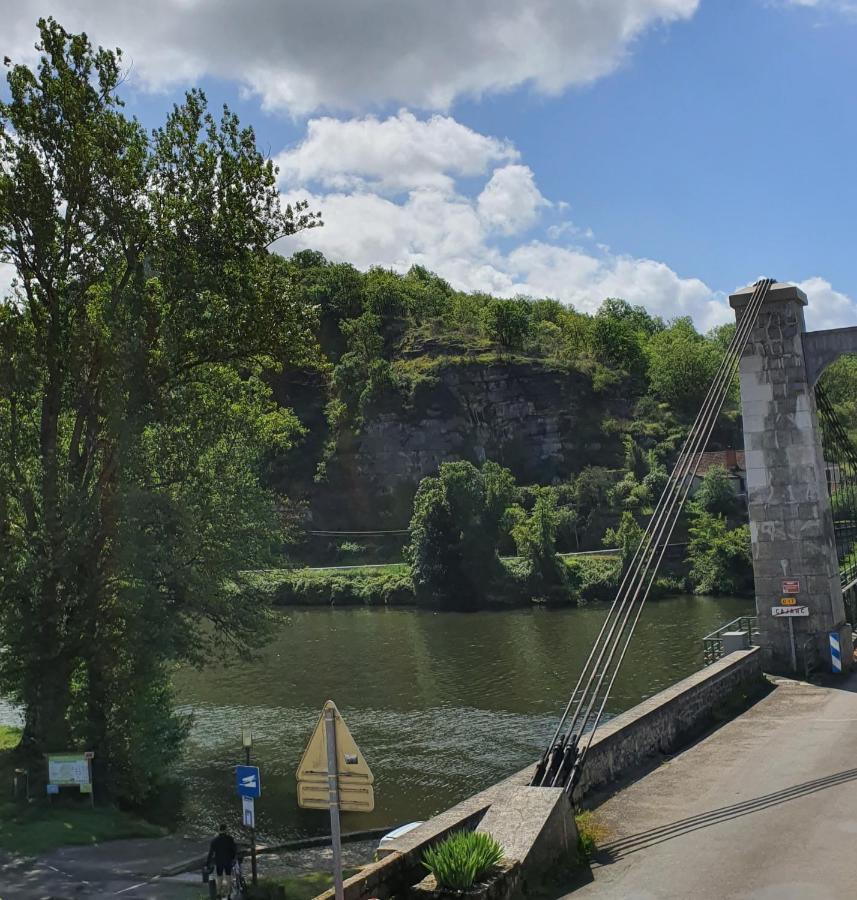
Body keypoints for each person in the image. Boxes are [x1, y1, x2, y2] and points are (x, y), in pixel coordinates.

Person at [207, 824, 237, 899]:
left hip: (219, 861)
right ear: (226, 830)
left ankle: (218, 893)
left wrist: (208, 863)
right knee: (228, 876)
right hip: (228, 860)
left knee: (219, 876)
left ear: (219, 830)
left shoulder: (214, 840)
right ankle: (229, 894)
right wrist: (233, 858)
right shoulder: (230, 839)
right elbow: (234, 850)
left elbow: (210, 853)